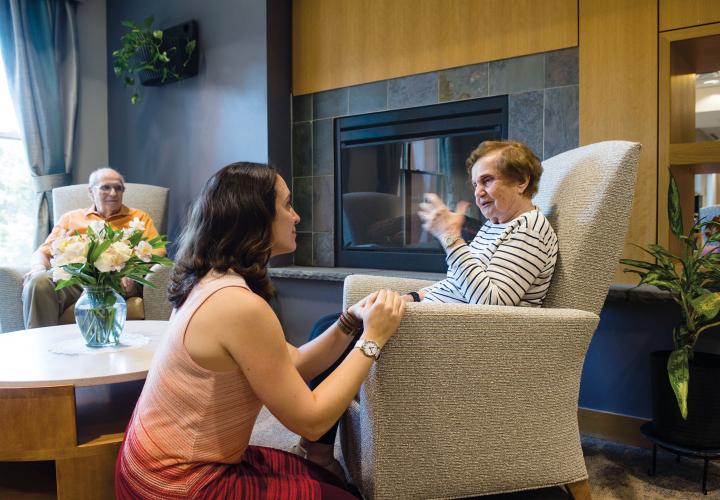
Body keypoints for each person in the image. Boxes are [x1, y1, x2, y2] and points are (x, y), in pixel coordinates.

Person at [115, 162, 405, 499]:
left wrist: (350, 321)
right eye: (287, 205)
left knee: (328, 480)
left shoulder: (211, 279)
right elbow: (312, 422)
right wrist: (372, 339)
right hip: (174, 483)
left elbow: (295, 362)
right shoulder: (237, 305)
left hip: (155, 462)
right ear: (254, 216)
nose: (296, 217)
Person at [295, 139, 559, 471]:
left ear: (521, 181)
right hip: (441, 318)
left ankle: (317, 455)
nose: (479, 191)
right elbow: (458, 284)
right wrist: (414, 297)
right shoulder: (497, 227)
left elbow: (490, 304)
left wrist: (451, 237)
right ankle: (314, 442)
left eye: (488, 180)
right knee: (333, 325)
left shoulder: (530, 232)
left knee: (338, 333)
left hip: (466, 338)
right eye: (476, 182)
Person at [22, 167, 162, 329]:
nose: (113, 193)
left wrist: (129, 269)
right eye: (106, 187)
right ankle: (42, 346)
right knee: (39, 282)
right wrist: (38, 267)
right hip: (76, 279)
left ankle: (100, 343)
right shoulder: (70, 218)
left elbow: (158, 250)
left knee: (107, 282)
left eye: (118, 188)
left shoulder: (139, 218)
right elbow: (43, 252)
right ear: (91, 191)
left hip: (120, 279)